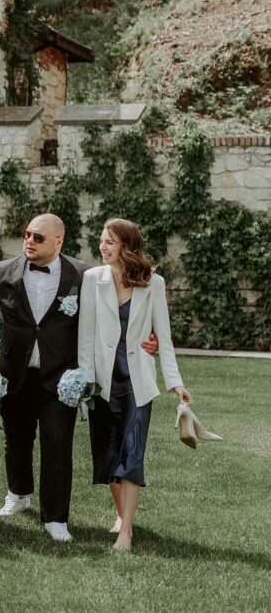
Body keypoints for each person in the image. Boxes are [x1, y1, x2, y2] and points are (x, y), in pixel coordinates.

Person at [0, 213, 158, 542]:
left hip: (61, 377)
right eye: (27, 234)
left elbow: (114, 313)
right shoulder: (2, 271)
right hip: (16, 373)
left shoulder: (83, 275)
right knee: (17, 440)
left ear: (58, 241)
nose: (30, 240)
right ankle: (19, 493)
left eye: (39, 237)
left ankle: (56, 518)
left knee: (58, 444)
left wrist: (145, 337)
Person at [78, 218, 192, 551]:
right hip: (102, 384)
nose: (103, 246)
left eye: (110, 241)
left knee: (131, 455)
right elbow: (86, 337)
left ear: (128, 246)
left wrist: (176, 384)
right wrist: (85, 382)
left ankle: (126, 531)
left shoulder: (153, 283)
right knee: (109, 456)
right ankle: (121, 513)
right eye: (101, 240)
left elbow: (165, 340)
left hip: (137, 384)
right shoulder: (91, 280)